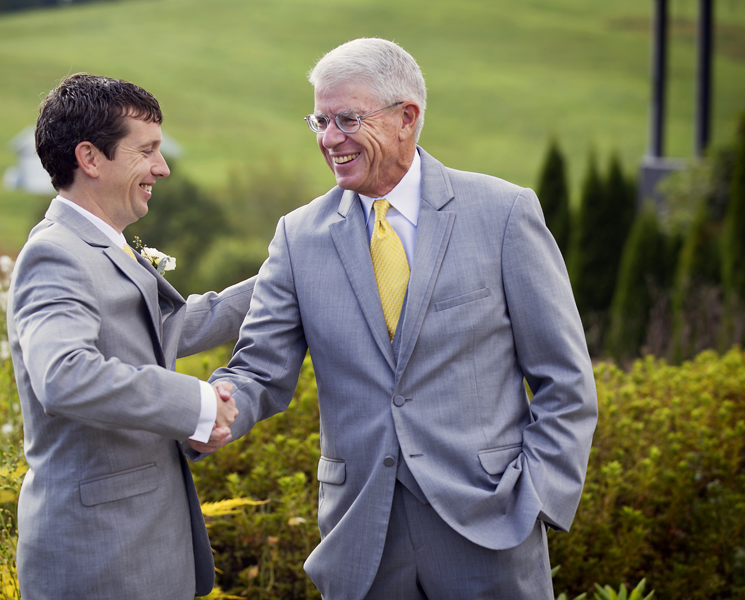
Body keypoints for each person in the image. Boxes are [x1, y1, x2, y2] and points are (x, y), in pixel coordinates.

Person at [192, 39, 598, 599]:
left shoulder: (503, 214)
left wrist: (536, 498)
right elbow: (260, 369)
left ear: (407, 118)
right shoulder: (297, 236)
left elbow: (566, 379)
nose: (329, 138)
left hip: (491, 530)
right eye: (320, 119)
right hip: (360, 541)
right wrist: (206, 412)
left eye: (348, 119)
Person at [7, 73, 253, 600]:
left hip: (139, 549)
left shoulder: (101, 245)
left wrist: (285, 277)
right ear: (91, 159)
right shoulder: (56, 254)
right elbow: (63, 376)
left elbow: (161, 332)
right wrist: (195, 402)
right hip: (101, 561)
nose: (162, 168)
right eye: (147, 152)